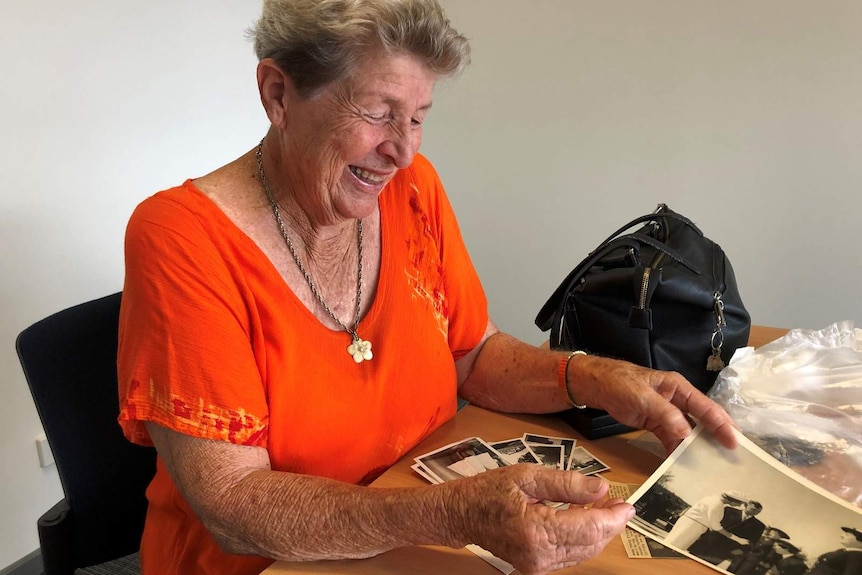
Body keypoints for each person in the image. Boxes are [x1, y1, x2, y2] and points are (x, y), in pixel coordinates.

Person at [116, 1, 738, 574]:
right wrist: (448, 513)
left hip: (406, 540)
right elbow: (232, 504)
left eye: (417, 118)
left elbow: (472, 354)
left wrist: (601, 378)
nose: (404, 151)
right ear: (278, 93)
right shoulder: (181, 238)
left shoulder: (411, 193)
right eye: (379, 113)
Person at [688, 499, 766, 565]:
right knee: (688, 561)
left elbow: (752, 542)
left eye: (757, 511)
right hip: (708, 542)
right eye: (753, 509)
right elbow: (712, 522)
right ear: (745, 505)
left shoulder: (759, 526)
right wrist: (700, 535)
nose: (755, 512)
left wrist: (742, 550)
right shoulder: (728, 510)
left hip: (725, 550)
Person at [663, 491, 747, 552]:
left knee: (670, 544)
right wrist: (737, 539)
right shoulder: (717, 504)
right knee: (673, 548)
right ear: (732, 500)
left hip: (690, 523)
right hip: (692, 526)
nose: (739, 506)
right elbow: (715, 526)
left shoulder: (712, 498)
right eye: (739, 503)